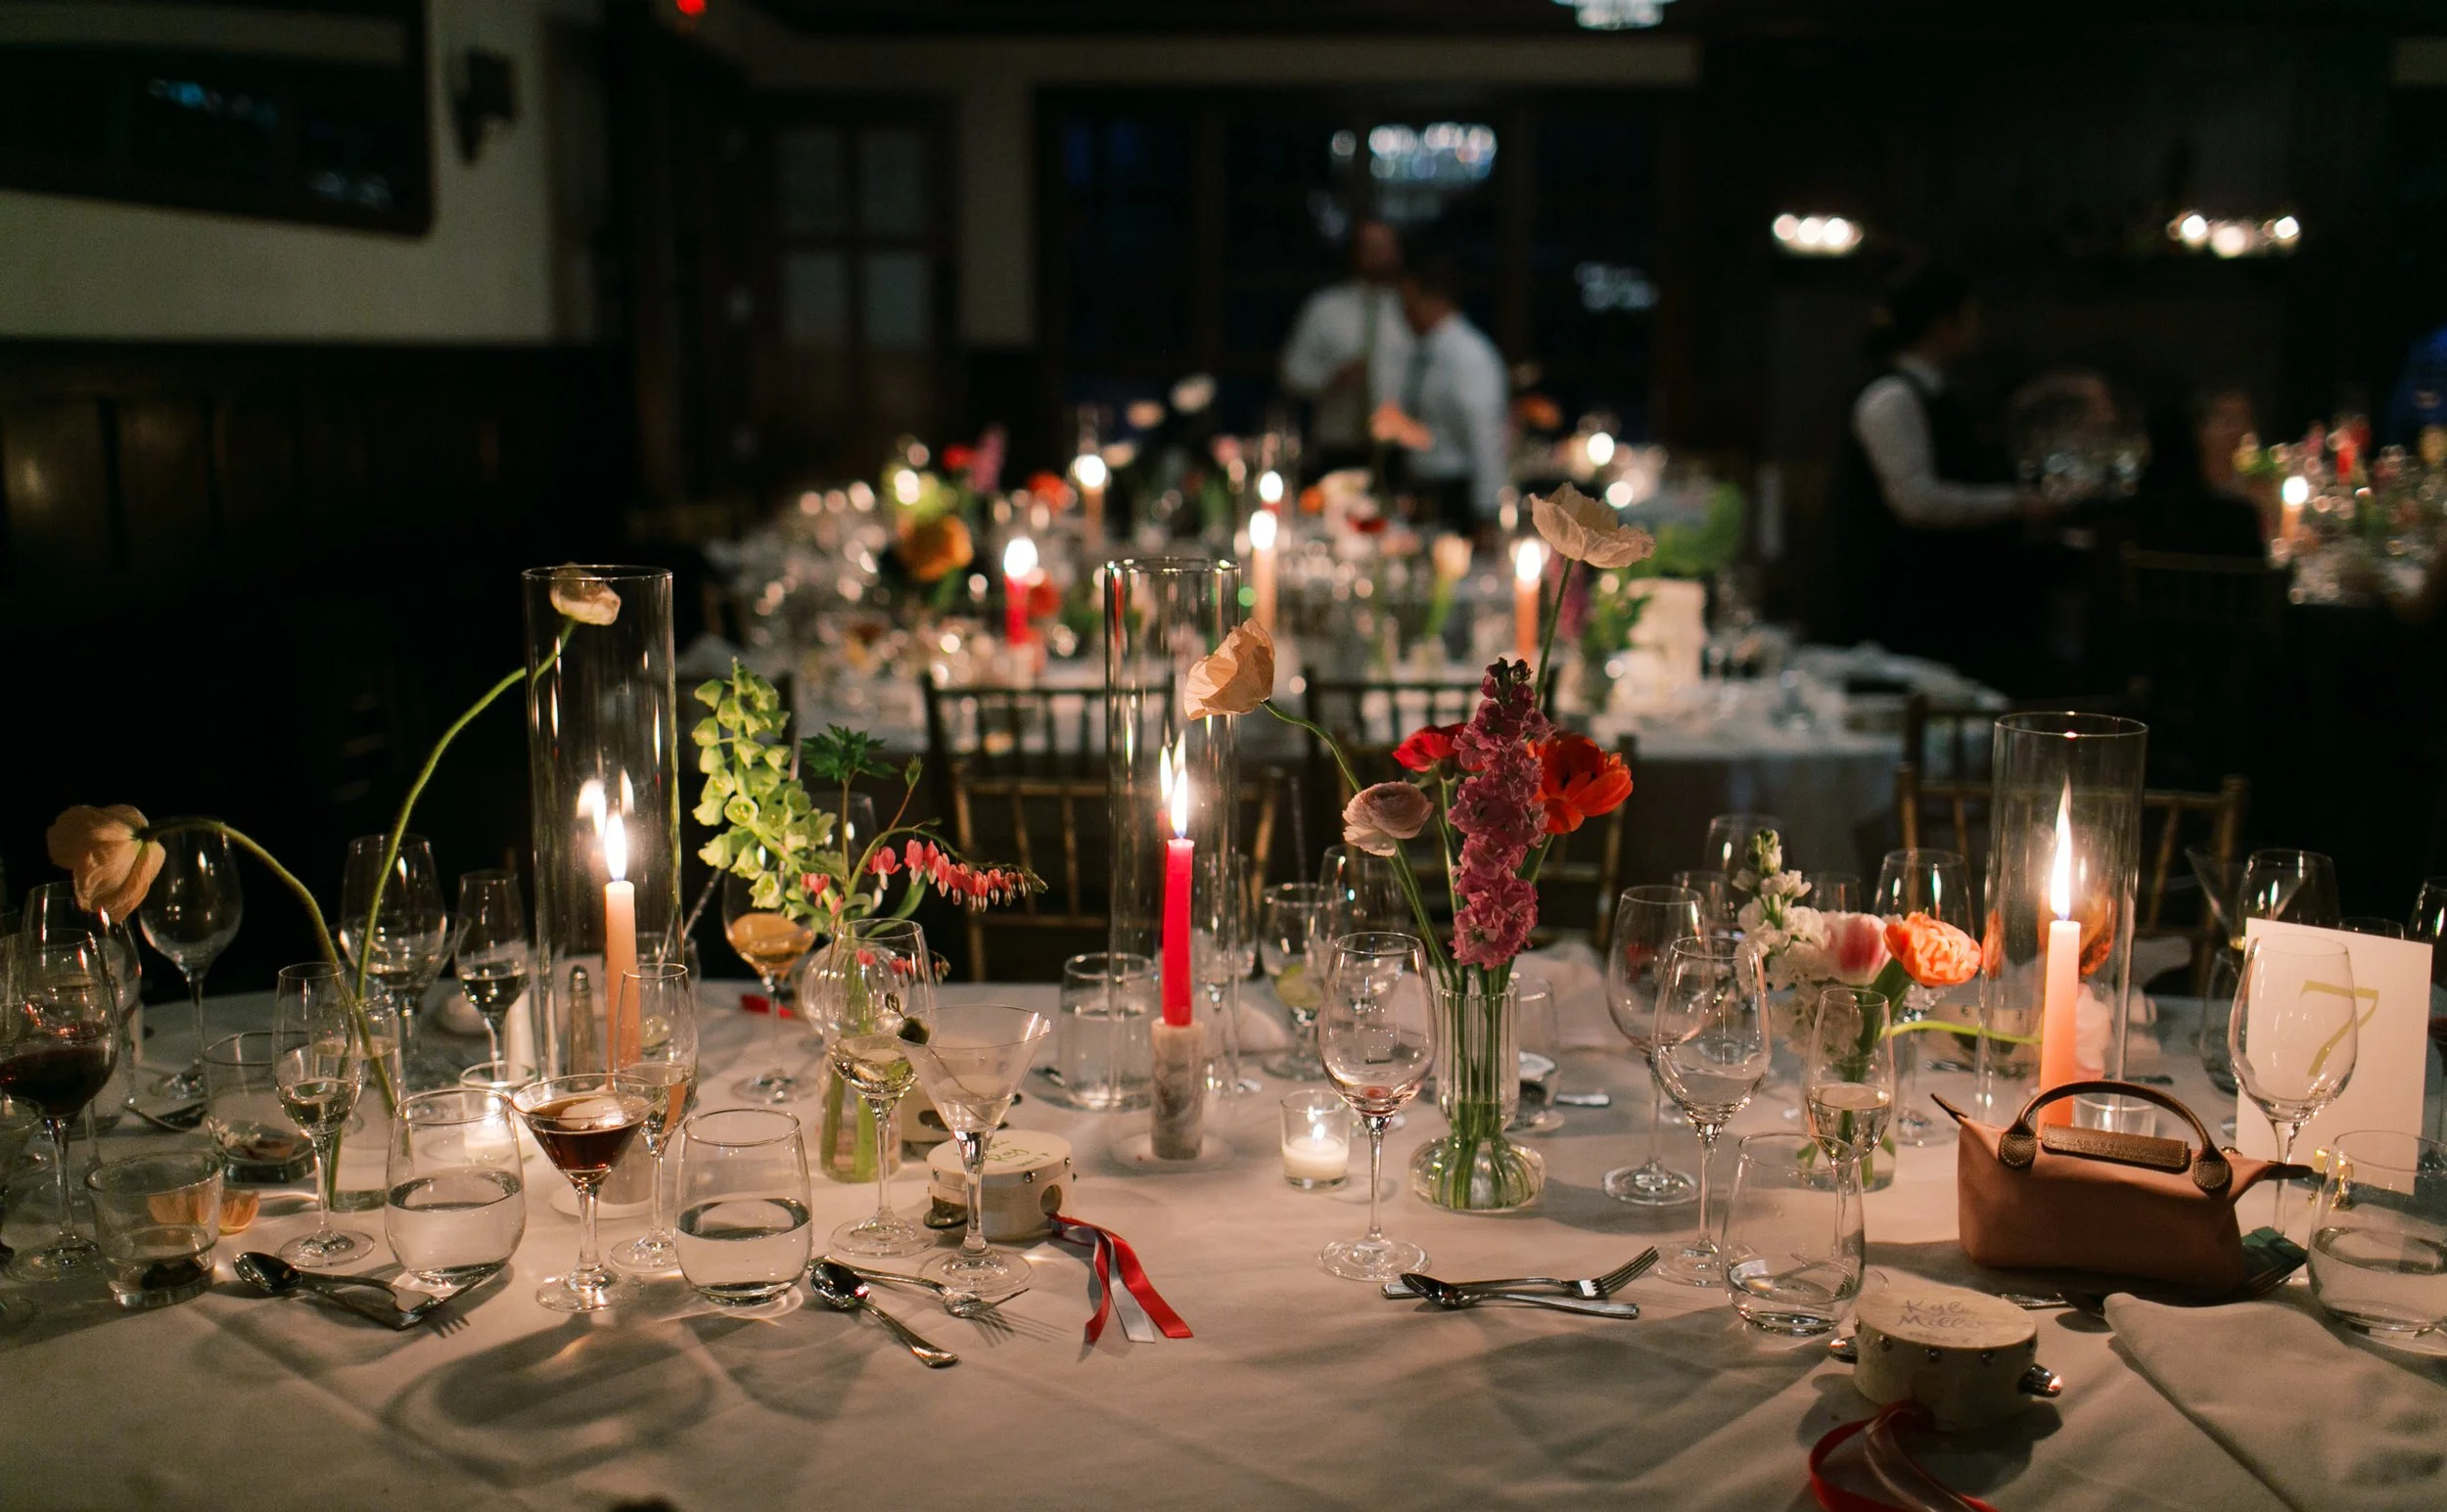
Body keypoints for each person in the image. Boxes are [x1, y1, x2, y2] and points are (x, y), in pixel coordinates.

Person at [1830, 266, 2043, 682]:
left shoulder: (1937, 395)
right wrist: (2017, 503)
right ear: (1943, 323)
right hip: (1902, 601)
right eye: (1971, 316)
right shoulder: (1892, 396)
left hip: (1940, 601)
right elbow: (1917, 501)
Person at [1374, 251, 1509, 532]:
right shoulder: (1423, 352)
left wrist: (1487, 515)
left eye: (1407, 300)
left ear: (1432, 298)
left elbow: (1485, 439)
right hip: (1421, 490)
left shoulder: (1469, 357)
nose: (1403, 311)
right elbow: (1431, 430)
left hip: (1456, 498)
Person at [1279, 217, 1414, 473]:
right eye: (1370, 247)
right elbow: (1291, 372)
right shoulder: (1325, 308)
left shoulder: (1411, 309)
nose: (1378, 255)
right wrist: (1331, 378)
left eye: (1384, 247)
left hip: (1398, 447)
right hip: (1337, 443)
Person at [2129, 390, 2268, 559]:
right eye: (2226, 420)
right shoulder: (2239, 515)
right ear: (2199, 431)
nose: (2237, 430)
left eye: (2243, 419)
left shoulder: (2142, 510)